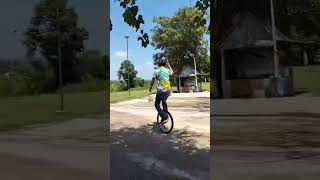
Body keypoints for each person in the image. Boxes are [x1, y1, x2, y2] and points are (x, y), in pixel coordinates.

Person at [149, 58, 174, 124]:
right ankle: (166, 115)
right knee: (164, 102)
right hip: (168, 91)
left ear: (158, 64)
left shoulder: (156, 71)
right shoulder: (167, 70)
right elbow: (172, 72)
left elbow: (153, 80)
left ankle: (165, 116)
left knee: (157, 105)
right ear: (165, 64)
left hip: (161, 91)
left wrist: (150, 87)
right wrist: (169, 65)